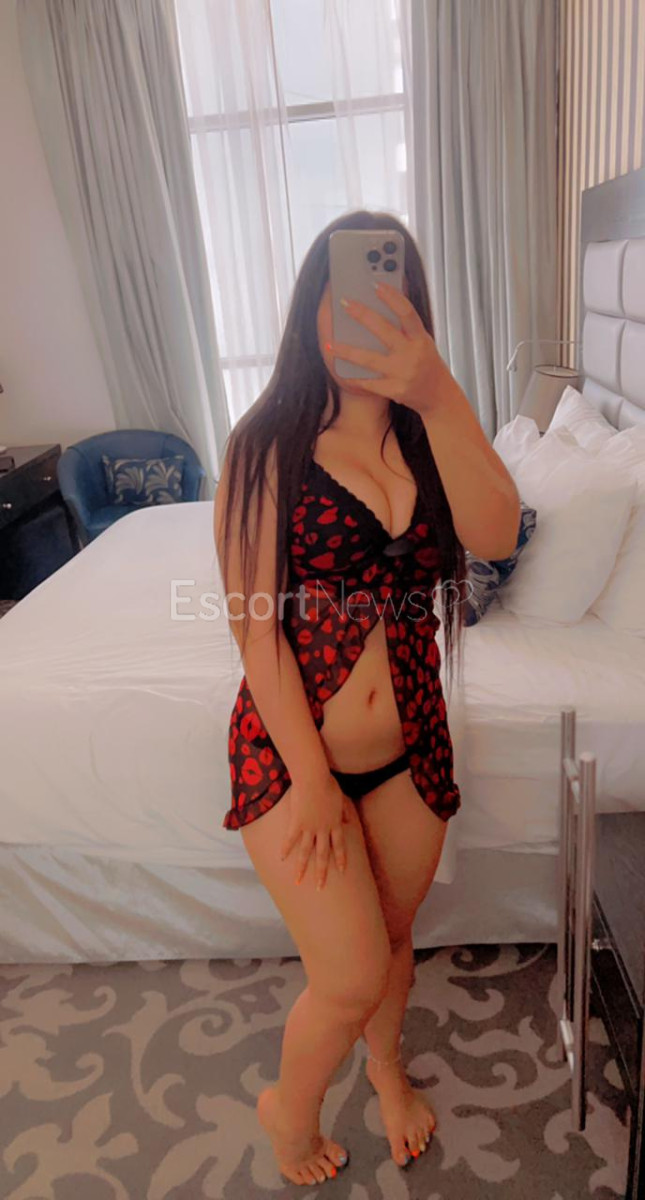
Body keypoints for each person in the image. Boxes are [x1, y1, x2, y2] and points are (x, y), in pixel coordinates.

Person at [214, 210, 520, 1187]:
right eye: (341, 298)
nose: (359, 318)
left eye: (389, 298)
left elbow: (497, 534)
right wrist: (311, 781)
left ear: (416, 314)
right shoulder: (266, 443)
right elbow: (255, 631)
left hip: (412, 744)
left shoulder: (434, 434)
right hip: (292, 755)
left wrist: (441, 394)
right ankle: (289, 1114)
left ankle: (387, 1073)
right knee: (346, 975)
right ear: (311, 309)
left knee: (391, 942)